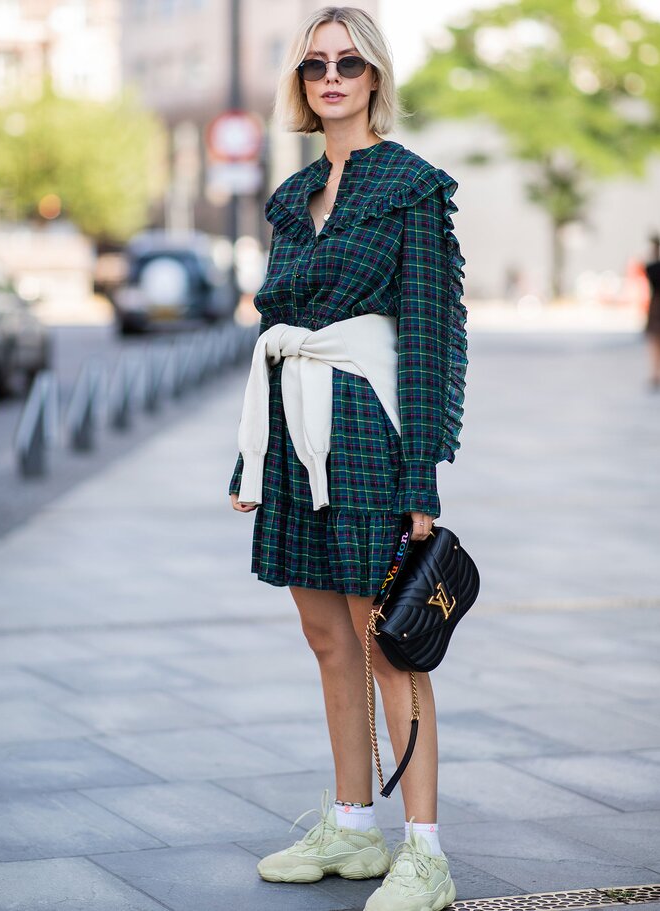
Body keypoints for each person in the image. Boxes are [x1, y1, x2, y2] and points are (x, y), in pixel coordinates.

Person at [228, 7, 467, 910]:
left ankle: (426, 853)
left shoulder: (411, 186)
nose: (332, 76)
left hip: (369, 433)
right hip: (291, 432)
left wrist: (423, 477)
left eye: (350, 62)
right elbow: (275, 329)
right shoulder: (291, 196)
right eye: (317, 63)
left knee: (387, 644)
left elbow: (431, 338)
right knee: (326, 637)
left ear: (374, 78)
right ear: (300, 82)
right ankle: (351, 825)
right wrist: (248, 461)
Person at [644, 233, 660, 390]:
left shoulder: (653, 268)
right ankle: (655, 374)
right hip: (656, 308)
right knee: (654, 343)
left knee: (654, 344)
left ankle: (655, 374)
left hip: (656, 308)